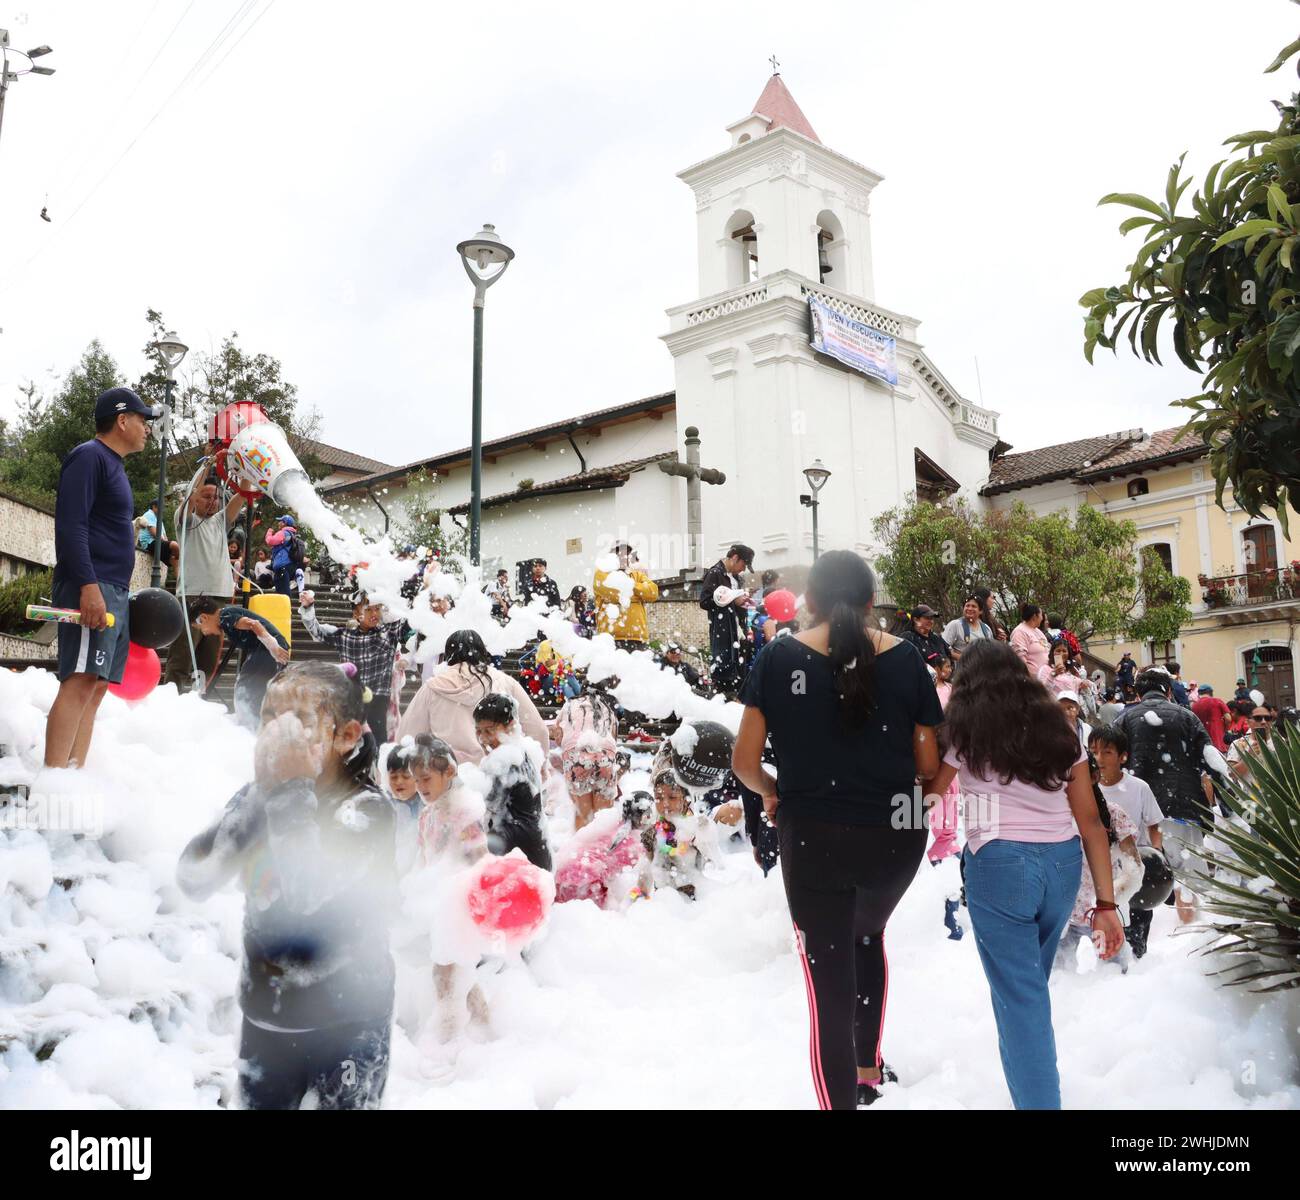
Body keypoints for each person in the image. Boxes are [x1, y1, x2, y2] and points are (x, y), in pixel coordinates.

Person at [733, 550, 944, 1111]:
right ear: (873, 601)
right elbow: (929, 764)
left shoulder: (778, 659)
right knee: (868, 935)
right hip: (896, 838)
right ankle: (867, 1068)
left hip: (813, 838)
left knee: (828, 983)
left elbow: (744, 763)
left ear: (811, 603)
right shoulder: (908, 662)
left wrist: (773, 791)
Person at [176, 661, 398, 1109]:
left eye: (296, 721)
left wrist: (288, 793)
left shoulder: (368, 811)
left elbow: (307, 893)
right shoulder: (264, 795)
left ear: (347, 735)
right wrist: (259, 798)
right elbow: (196, 877)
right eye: (269, 718)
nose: (278, 732)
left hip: (346, 1022)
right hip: (266, 1018)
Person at [923, 639, 1122, 1110]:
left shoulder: (965, 729)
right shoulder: (1060, 728)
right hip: (1062, 864)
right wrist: (1107, 905)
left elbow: (930, 797)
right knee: (1028, 987)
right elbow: (1091, 822)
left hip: (999, 864)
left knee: (1021, 999)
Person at [45, 387, 159, 770]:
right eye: (142, 420)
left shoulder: (114, 466)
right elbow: (70, 526)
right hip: (90, 585)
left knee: (94, 688)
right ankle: (52, 781)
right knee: (78, 681)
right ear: (122, 420)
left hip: (112, 589)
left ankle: (73, 777)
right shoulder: (89, 457)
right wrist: (88, 587)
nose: (147, 428)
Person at [406, 734, 491, 1073]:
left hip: (459, 902)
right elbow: (425, 857)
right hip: (439, 901)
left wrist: (470, 890)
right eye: (416, 780)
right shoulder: (430, 813)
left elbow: (479, 856)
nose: (420, 786)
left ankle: (448, 1040)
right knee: (459, 972)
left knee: (445, 974)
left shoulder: (461, 811)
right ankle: (485, 1025)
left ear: (450, 772)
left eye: (426, 778)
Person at [1115, 669, 1220, 925]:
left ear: (1138, 693)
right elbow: (1211, 761)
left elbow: (1111, 759)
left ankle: (1136, 943)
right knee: (1186, 876)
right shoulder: (1187, 716)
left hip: (1140, 810)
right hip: (1184, 806)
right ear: (1169, 691)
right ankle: (1188, 931)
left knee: (1137, 876)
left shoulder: (1125, 719)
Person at [398, 629, 549, 767]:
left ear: (448, 655)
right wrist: (539, 767)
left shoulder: (433, 687)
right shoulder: (503, 681)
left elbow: (407, 734)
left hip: (447, 772)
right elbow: (538, 729)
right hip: (496, 770)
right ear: (483, 652)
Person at [1055, 754, 1143, 973]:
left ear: (1094, 777)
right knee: (1057, 980)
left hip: (1103, 912)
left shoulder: (1113, 814)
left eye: (1074, 777)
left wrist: (1111, 900)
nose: (1066, 785)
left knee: (1112, 980)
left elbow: (1135, 867)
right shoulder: (1055, 817)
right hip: (1064, 913)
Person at [163, 469, 247, 693]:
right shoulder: (186, 521)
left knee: (208, 659)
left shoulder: (220, 522)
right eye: (207, 497)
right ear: (196, 499)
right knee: (182, 653)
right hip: (191, 596)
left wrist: (247, 469)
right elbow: (190, 493)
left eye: (216, 497)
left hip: (219, 596)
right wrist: (207, 464)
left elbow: (242, 494)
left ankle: (198, 698)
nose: (213, 502)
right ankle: (171, 698)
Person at [1089, 724, 1165, 958]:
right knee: (1107, 941)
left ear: (1123, 756)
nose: (1099, 758)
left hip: (1134, 871)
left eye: (1107, 752)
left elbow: (1154, 824)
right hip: (1100, 874)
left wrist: (1156, 856)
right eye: (1093, 752)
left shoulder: (1139, 787)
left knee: (1135, 938)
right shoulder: (1085, 789)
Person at [299, 589, 407, 740]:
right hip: (352, 698)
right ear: (356, 614)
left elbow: (401, 618)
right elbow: (316, 630)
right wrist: (308, 607)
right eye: (368, 609)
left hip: (378, 700)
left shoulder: (388, 634)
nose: (374, 613)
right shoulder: (344, 635)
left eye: (377, 608)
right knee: (351, 743)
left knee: (377, 743)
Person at [473, 694, 552, 871]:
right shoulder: (520, 751)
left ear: (509, 726)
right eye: (478, 731)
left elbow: (481, 804)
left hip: (518, 851)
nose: (483, 738)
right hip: (534, 843)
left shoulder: (505, 762)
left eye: (489, 730)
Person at [189, 598, 290, 729]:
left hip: (267, 649)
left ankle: (250, 725)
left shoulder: (225, 616)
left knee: (244, 686)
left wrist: (273, 646)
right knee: (256, 688)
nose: (204, 632)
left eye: (200, 628)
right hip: (262, 651)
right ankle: (259, 723)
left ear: (203, 618)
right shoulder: (226, 617)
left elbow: (254, 624)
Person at [552, 689, 622, 830]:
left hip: (576, 755)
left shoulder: (569, 705)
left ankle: (580, 848)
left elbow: (558, 736)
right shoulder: (607, 708)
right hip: (604, 756)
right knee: (603, 817)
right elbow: (613, 739)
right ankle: (601, 849)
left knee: (583, 814)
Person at [700, 543, 754, 694]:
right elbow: (705, 601)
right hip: (724, 634)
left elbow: (734, 603)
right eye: (744, 564)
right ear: (735, 558)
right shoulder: (715, 573)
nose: (743, 569)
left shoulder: (737, 578)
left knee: (740, 679)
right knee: (724, 677)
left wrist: (743, 601)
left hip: (739, 633)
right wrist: (730, 599)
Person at [595, 542, 660, 652]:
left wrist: (631, 586)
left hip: (638, 638)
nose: (623, 557)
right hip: (612, 638)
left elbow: (653, 593)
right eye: (619, 554)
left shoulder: (637, 575)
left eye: (627, 554)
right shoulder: (601, 573)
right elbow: (614, 595)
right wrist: (639, 595)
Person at [941, 595, 992, 660]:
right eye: (967, 606)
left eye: (974, 606)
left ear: (980, 611)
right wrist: (964, 658)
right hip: (963, 669)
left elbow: (991, 651)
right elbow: (942, 648)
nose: (970, 609)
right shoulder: (955, 625)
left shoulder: (986, 629)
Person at [266, 515, 302, 597]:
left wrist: (269, 532)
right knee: (283, 590)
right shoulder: (292, 534)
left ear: (284, 523)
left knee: (283, 592)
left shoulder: (283, 533)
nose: (279, 523)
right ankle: (285, 608)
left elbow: (270, 541)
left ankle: (286, 608)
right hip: (289, 565)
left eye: (280, 521)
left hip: (282, 566)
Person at [1010, 604, 1051, 676]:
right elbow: (1020, 659)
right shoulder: (1019, 632)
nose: (1042, 618)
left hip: (1045, 677)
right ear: (1035, 616)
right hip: (1032, 679)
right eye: (1041, 615)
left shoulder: (1038, 631)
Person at [1192, 683, 1231, 753]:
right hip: (1218, 743)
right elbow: (1228, 719)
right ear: (1211, 692)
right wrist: (1225, 729)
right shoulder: (1217, 701)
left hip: (1203, 745)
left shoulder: (1194, 706)